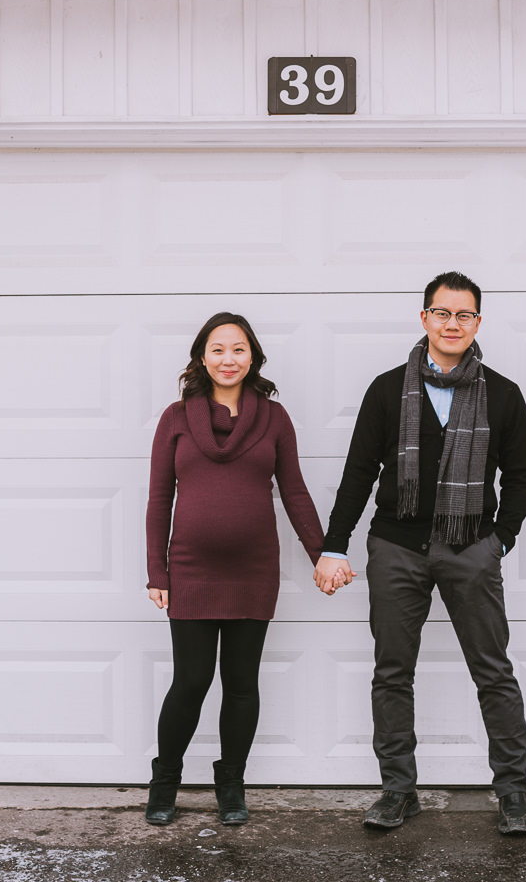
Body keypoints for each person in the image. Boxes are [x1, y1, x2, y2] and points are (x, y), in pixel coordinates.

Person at [314, 271, 526, 836]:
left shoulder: (504, 394)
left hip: (471, 549)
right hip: (396, 547)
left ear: (478, 324)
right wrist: (332, 545)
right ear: (424, 319)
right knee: (392, 672)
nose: (452, 323)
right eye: (442, 313)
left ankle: (513, 794)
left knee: (494, 673)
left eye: (464, 315)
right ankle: (397, 791)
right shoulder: (388, 390)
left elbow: (521, 476)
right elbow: (359, 472)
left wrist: (499, 538)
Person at [144, 312, 327, 827]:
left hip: (252, 570)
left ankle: (232, 783)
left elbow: (294, 491)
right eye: (218, 349)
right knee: (192, 681)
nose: (229, 359)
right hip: (191, 572)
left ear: (254, 357)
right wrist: (157, 573)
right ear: (202, 357)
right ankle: (165, 780)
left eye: (239, 349)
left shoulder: (274, 418)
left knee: (242, 682)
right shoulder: (175, 418)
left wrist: (323, 554)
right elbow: (160, 500)